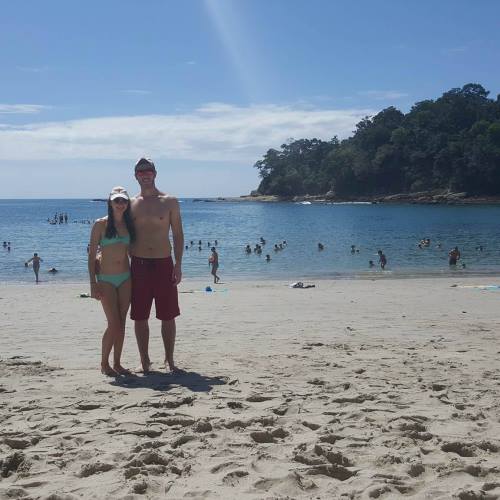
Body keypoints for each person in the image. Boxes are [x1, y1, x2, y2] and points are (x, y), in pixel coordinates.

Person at [130, 158, 183, 374]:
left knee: (168, 315)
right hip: (139, 264)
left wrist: (178, 264)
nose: (145, 174)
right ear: (136, 176)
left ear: (155, 173)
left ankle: (169, 359)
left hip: (164, 263)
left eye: (148, 171)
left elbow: (178, 234)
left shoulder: (170, 201)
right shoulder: (131, 203)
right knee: (140, 316)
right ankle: (145, 361)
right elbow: (118, 230)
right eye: (141, 171)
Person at [88, 186, 135, 376]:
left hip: (126, 278)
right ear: (110, 202)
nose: (120, 204)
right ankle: (104, 363)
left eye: (124, 200)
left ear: (127, 203)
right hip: (106, 279)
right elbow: (91, 256)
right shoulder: (100, 224)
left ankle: (117, 363)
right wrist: (93, 283)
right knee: (113, 323)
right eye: (117, 200)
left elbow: (132, 251)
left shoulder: (129, 224)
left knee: (121, 323)